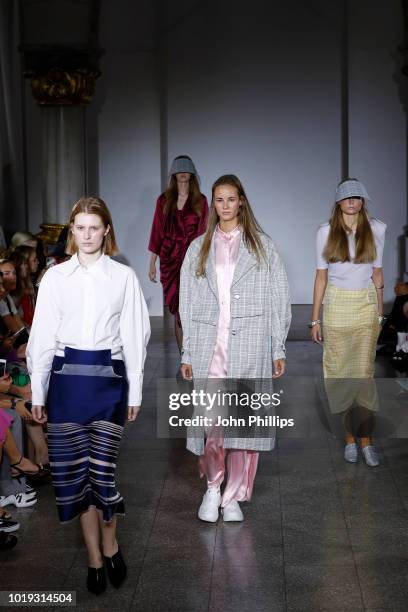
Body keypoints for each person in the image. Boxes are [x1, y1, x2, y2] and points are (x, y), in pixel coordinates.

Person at [27, 196, 151, 595]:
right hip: (65, 384)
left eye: (93, 227)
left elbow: (135, 335)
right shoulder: (55, 278)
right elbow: (42, 339)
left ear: (106, 230)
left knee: (103, 474)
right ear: (71, 231)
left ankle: (111, 543)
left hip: (108, 384)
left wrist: (136, 387)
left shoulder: (123, 277)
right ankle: (95, 558)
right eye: (79, 227)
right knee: (74, 478)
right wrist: (38, 392)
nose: (86, 235)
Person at [179, 174, 291, 522]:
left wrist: (278, 346)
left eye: (231, 199)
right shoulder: (199, 247)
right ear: (213, 203)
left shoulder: (262, 245)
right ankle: (213, 486)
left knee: (241, 427)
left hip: (250, 344)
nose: (225, 205)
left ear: (241, 200)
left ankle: (233, 497)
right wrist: (186, 353)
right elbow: (187, 299)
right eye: (219, 200)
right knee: (212, 425)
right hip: (209, 346)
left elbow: (279, 297)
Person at [311, 178, 386, 467]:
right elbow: (321, 277)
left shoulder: (377, 229)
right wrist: (314, 318)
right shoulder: (325, 232)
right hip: (336, 306)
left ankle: (367, 442)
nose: (352, 202)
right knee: (339, 375)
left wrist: (380, 313)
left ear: (363, 200)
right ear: (338, 201)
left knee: (364, 373)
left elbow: (378, 275)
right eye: (347, 197)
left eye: (357, 197)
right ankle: (349, 440)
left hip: (366, 305)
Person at [148, 155, 208, 351]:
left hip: (193, 259)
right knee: (177, 308)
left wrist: (203, 261)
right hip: (170, 260)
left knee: (192, 306)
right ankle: (185, 355)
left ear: (192, 174)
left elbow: (204, 232)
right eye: (179, 169)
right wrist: (152, 263)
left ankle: (195, 352)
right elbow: (157, 230)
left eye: (186, 169)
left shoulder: (200, 201)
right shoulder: (163, 200)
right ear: (174, 174)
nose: (182, 173)